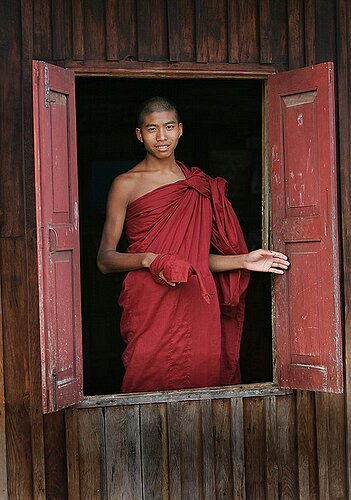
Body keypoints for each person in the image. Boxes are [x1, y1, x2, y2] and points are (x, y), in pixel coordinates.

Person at [97, 96, 289, 393]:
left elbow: (195, 259)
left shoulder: (197, 185)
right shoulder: (126, 184)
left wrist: (242, 260)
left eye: (169, 127)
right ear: (139, 134)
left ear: (181, 129)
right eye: (151, 129)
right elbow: (105, 259)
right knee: (146, 379)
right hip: (150, 300)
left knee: (202, 380)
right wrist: (149, 259)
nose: (161, 137)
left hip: (198, 299)